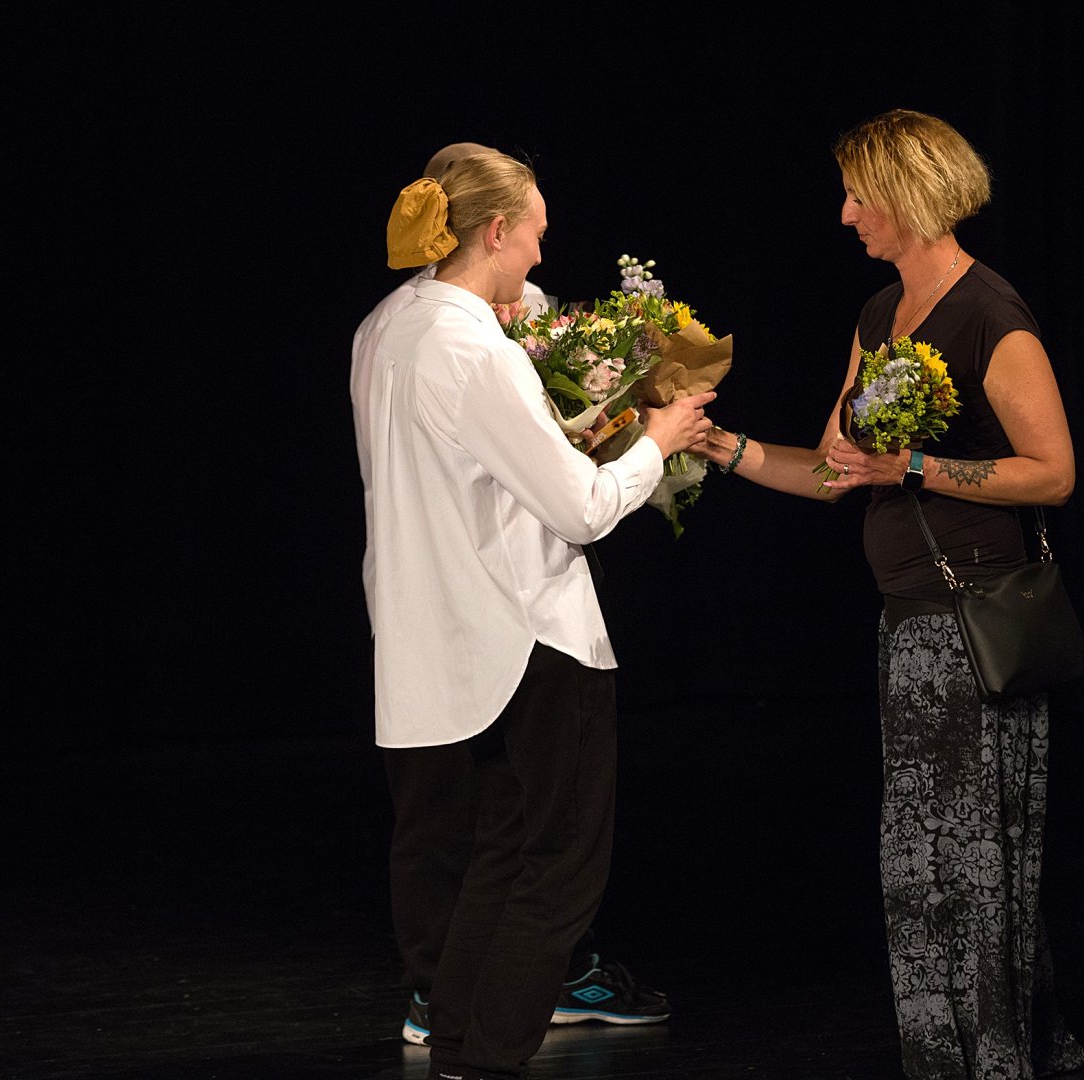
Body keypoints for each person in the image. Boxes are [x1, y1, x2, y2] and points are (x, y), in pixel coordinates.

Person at [698, 110, 1084, 1078]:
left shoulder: (991, 316)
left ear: (907, 194)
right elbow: (837, 471)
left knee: (970, 858)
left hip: (975, 620)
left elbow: (1053, 473)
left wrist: (912, 466)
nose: (845, 214)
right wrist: (722, 448)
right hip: (910, 626)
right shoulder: (881, 315)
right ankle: (964, 1051)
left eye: (858, 194)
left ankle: (997, 1056)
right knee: (924, 859)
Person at [351, 146, 713, 1080]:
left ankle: (462, 1056)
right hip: (529, 635)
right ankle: (485, 1061)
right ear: (497, 231)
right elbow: (581, 509)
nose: (541, 258)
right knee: (556, 868)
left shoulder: (385, 327)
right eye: (536, 237)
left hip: (433, 632)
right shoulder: (474, 351)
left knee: (500, 859)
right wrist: (658, 439)